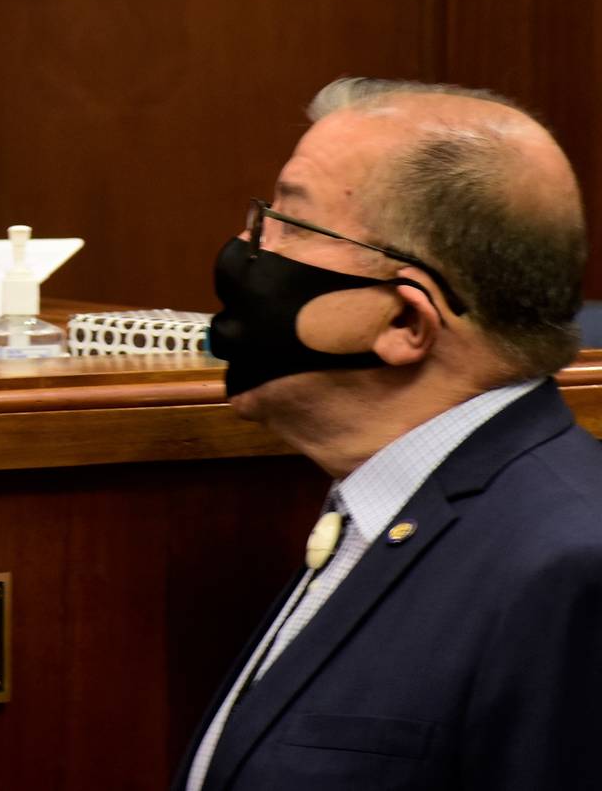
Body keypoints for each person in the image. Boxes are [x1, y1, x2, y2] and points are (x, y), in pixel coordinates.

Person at [179, 77, 602, 791]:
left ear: (406, 322)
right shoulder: (371, 513)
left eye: (290, 224)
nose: (248, 249)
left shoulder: (567, 569)